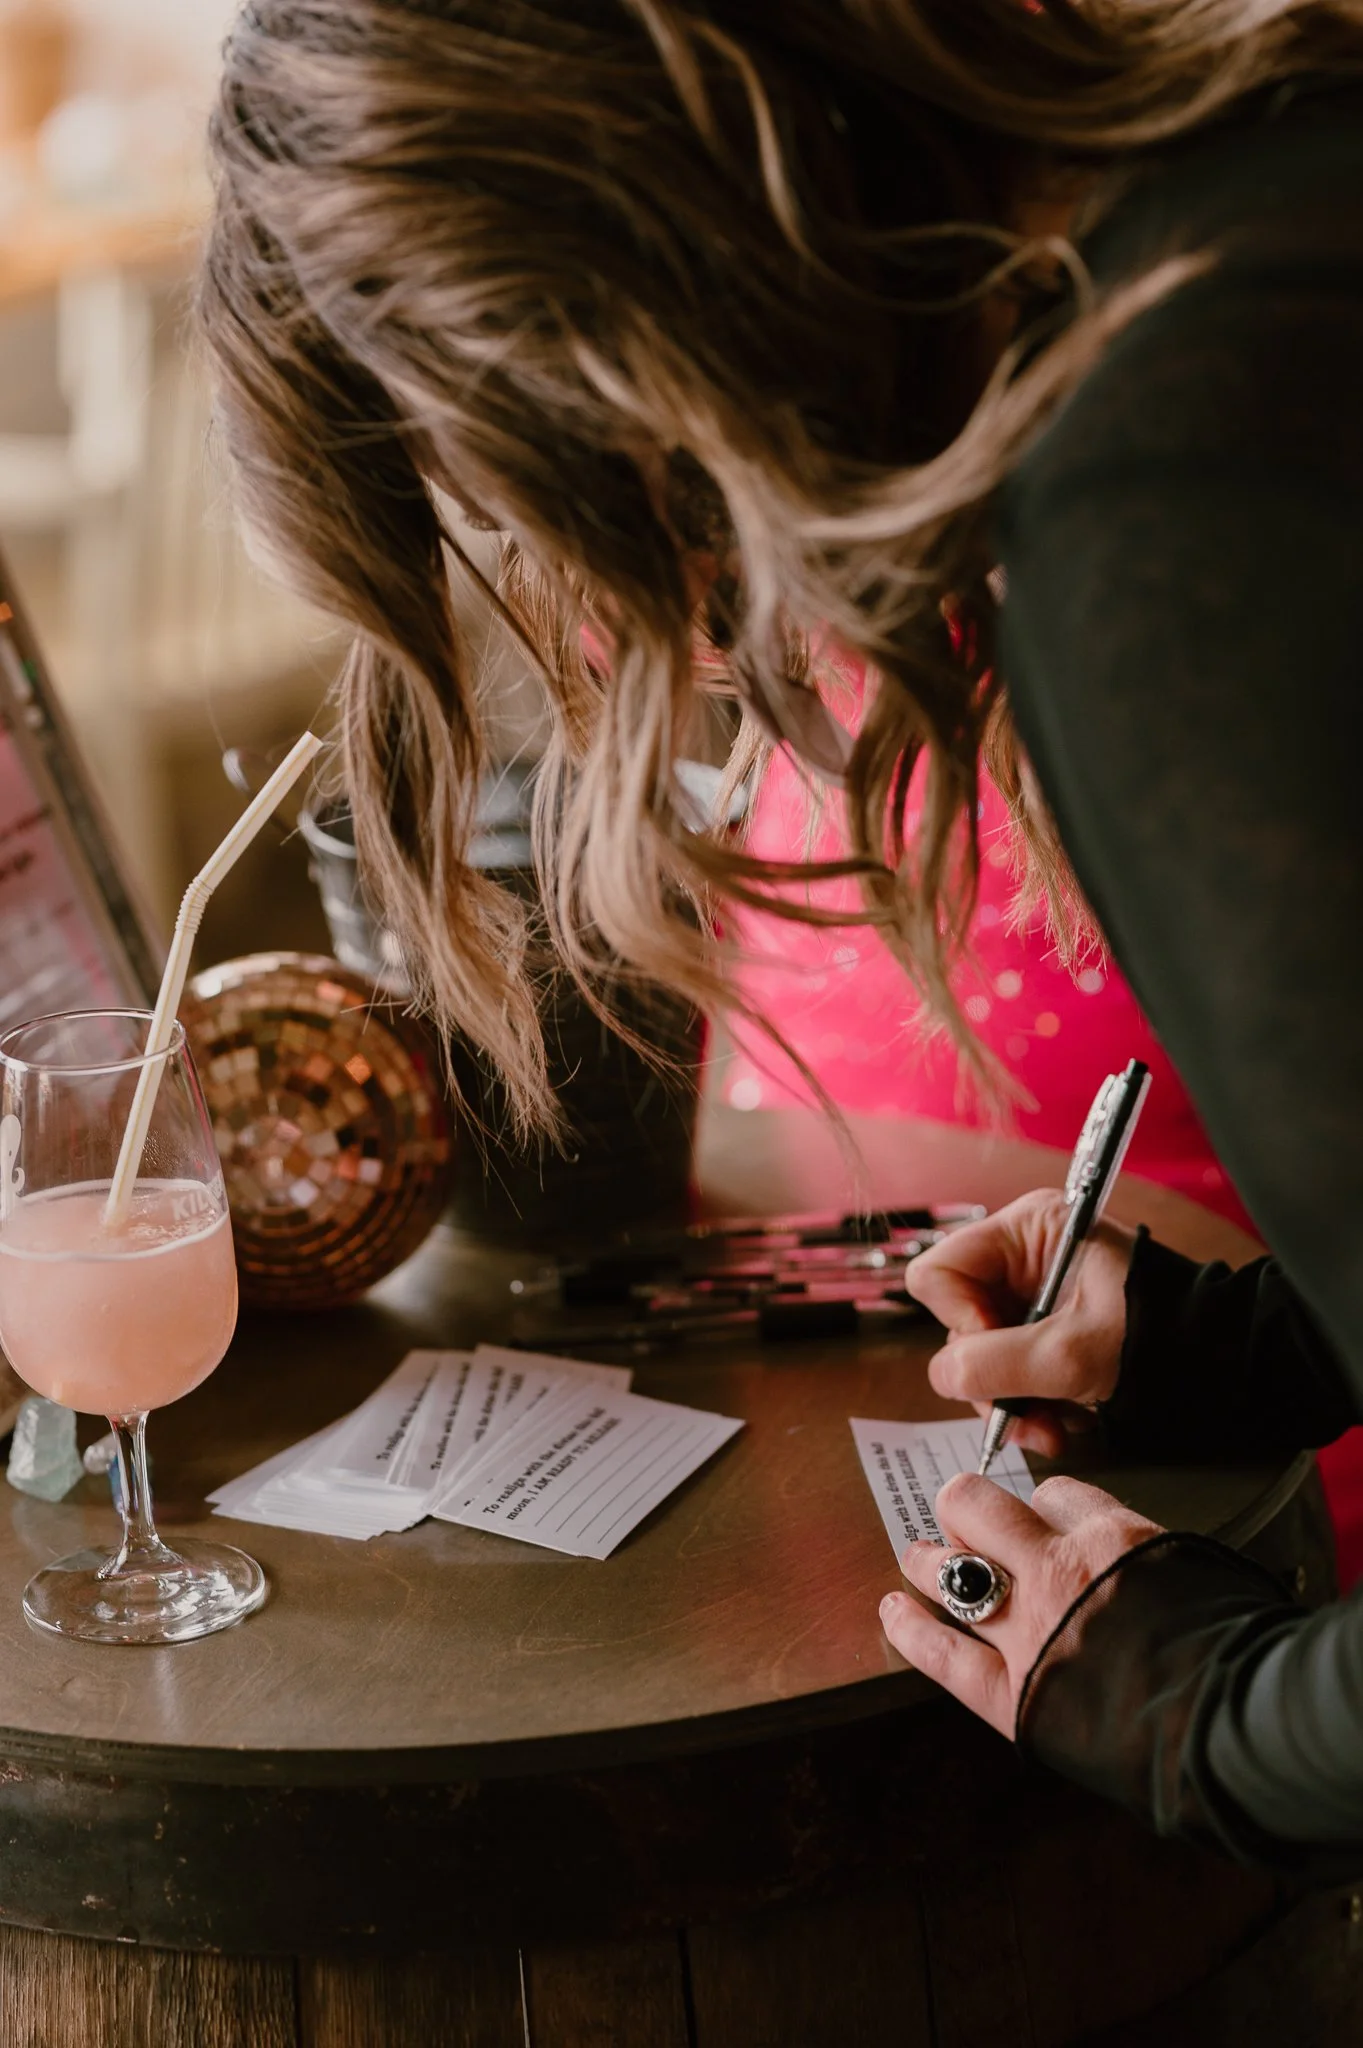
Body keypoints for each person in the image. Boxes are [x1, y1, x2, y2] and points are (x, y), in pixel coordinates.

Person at [199, 2, 1363, 1876]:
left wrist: (1212, 1721)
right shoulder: (1261, 198)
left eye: (486, 489)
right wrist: (1259, 1344)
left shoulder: (1156, 512)